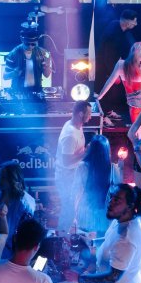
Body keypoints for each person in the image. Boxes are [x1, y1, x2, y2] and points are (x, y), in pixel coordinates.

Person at [55, 100, 92, 235]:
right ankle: (61, 237)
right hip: (66, 178)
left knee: (73, 209)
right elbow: (66, 161)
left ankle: (69, 234)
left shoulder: (77, 125)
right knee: (68, 210)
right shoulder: (70, 135)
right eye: (89, 114)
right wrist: (86, 152)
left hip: (73, 175)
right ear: (80, 114)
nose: (90, 117)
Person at [72, 134, 119, 240]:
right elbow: (117, 192)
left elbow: (77, 191)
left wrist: (74, 214)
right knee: (101, 243)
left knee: (85, 243)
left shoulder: (82, 166)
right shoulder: (113, 168)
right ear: (107, 150)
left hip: (86, 213)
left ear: (91, 149)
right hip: (105, 214)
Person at [39, 0, 80, 87]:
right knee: (49, 57)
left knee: (64, 61)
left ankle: (63, 85)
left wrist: (67, 10)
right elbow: (42, 8)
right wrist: (55, 10)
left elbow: (77, 9)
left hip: (66, 32)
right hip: (50, 32)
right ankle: (48, 84)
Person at [0, 161, 35, 258]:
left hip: (9, 250)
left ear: (13, 179)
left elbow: (27, 230)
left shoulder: (24, 202)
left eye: (3, 177)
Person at [3, 24, 52, 94]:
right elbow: (5, 77)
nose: (30, 46)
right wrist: (15, 73)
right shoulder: (13, 54)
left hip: (36, 91)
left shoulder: (42, 53)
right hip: (18, 92)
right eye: (27, 44)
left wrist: (47, 67)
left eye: (33, 44)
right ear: (22, 39)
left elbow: (46, 75)